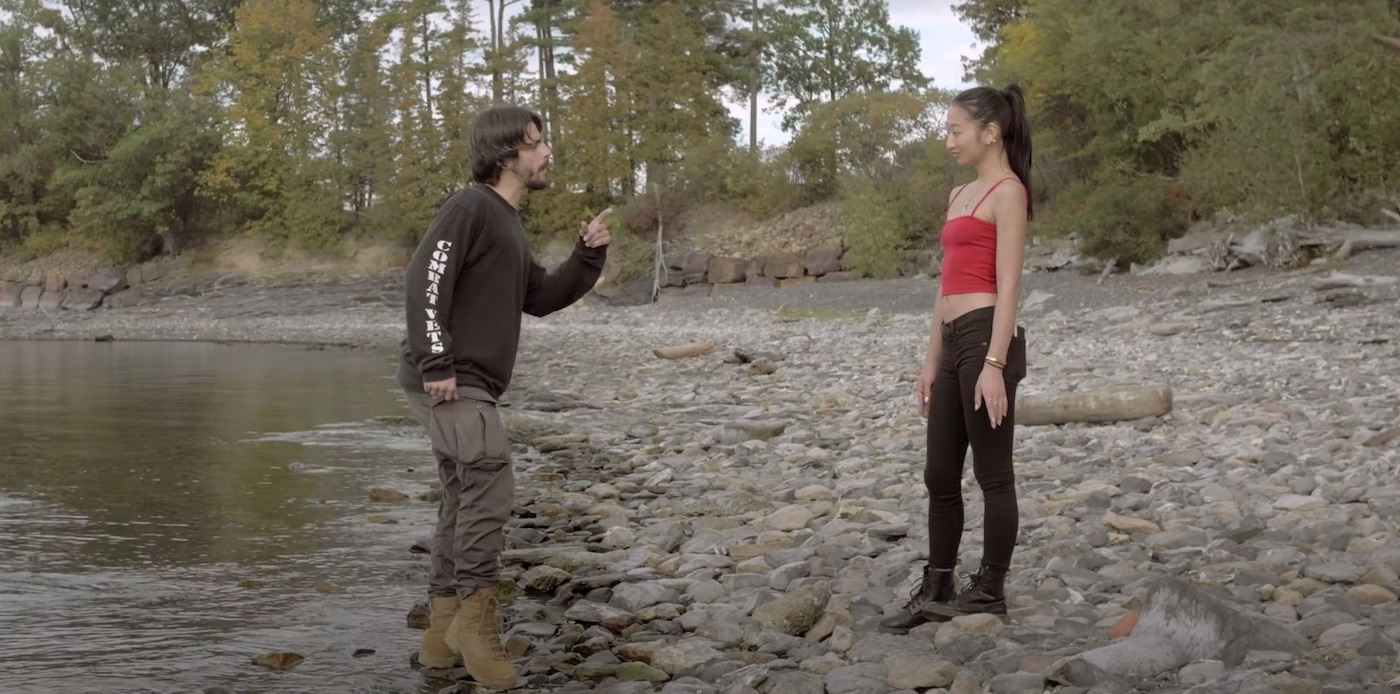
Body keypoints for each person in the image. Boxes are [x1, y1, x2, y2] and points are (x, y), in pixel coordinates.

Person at [394, 105, 612, 687]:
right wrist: (436, 359)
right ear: (504, 154)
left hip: (462, 379)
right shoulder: (470, 206)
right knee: (490, 485)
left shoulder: (506, 221)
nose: (547, 154)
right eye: (537, 144)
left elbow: (538, 296)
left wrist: (588, 256)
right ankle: (476, 624)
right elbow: (425, 278)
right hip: (451, 377)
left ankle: (442, 635)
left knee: (465, 495)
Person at [879, 85, 1032, 634]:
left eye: (954, 130)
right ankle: (937, 585)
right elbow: (945, 286)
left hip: (988, 339)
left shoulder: (1008, 192)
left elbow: (1010, 284)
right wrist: (929, 360)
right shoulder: (958, 194)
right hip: (952, 339)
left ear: (990, 132)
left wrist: (994, 364)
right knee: (938, 473)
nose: (947, 140)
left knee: (993, 473)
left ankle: (990, 589)